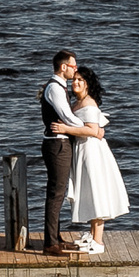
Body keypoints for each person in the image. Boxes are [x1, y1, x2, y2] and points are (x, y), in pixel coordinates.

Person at [36, 50, 100, 256]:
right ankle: (50, 243)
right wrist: (90, 127)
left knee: (59, 192)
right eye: (73, 66)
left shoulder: (58, 87)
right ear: (63, 67)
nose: (75, 69)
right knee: (56, 194)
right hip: (57, 145)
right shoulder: (55, 88)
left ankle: (55, 237)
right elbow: (67, 117)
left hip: (61, 144)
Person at [65, 64, 129, 253]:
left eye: (80, 80)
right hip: (82, 150)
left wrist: (65, 129)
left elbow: (93, 130)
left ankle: (98, 242)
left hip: (91, 152)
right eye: (74, 80)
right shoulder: (77, 103)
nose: (75, 83)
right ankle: (92, 235)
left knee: (95, 191)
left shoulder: (88, 104)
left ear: (87, 84)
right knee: (87, 190)